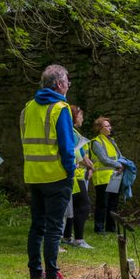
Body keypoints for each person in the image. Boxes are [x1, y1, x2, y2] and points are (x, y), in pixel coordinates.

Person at [21, 64, 81, 279]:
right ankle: (53, 278)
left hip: (34, 175)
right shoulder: (60, 108)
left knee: (37, 226)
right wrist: (69, 170)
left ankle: (36, 272)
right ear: (58, 84)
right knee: (55, 228)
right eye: (67, 82)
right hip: (56, 176)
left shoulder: (28, 107)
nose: (68, 86)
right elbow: (67, 146)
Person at [62, 105, 95, 249]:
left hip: (78, 174)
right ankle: (79, 239)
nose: (82, 118)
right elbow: (77, 154)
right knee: (83, 205)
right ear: (74, 117)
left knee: (72, 207)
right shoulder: (72, 133)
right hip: (76, 175)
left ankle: (67, 236)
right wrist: (90, 165)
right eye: (80, 115)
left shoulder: (73, 132)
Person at [90, 116, 124, 234]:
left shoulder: (112, 141)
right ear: (100, 128)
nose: (110, 128)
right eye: (107, 126)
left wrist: (122, 164)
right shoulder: (96, 142)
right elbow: (104, 159)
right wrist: (119, 164)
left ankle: (111, 227)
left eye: (110, 126)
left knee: (113, 204)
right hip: (103, 177)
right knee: (102, 204)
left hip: (115, 175)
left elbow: (119, 156)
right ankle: (99, 228)